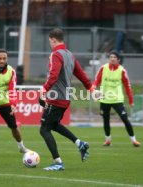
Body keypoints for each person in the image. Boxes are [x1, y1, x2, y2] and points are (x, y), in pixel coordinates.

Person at [40, 28, 97, 171]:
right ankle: (80, 143)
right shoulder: (70, 55)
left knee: (44, 129)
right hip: (65, 98)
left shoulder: (55, 55)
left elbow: (53, 75)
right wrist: (90, 87)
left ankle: (58, 162)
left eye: (50, 41)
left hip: (56, 98)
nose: (50, 43)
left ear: (53, 39)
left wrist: (44, 89)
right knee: (53, 125)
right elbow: (80, 72)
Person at [93, 51, 141, 147]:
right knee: (106, 120)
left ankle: (134, 140)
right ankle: (108, 140)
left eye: (114, 57)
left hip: (117, 99)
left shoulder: (122, 70)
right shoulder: (103, 68)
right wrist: (93, 87)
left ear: (118, 59)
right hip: (104, 99)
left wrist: (131, 100)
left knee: (125, 119)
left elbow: (127, 86)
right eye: (111, 57)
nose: (112, 58)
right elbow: (97, 80)